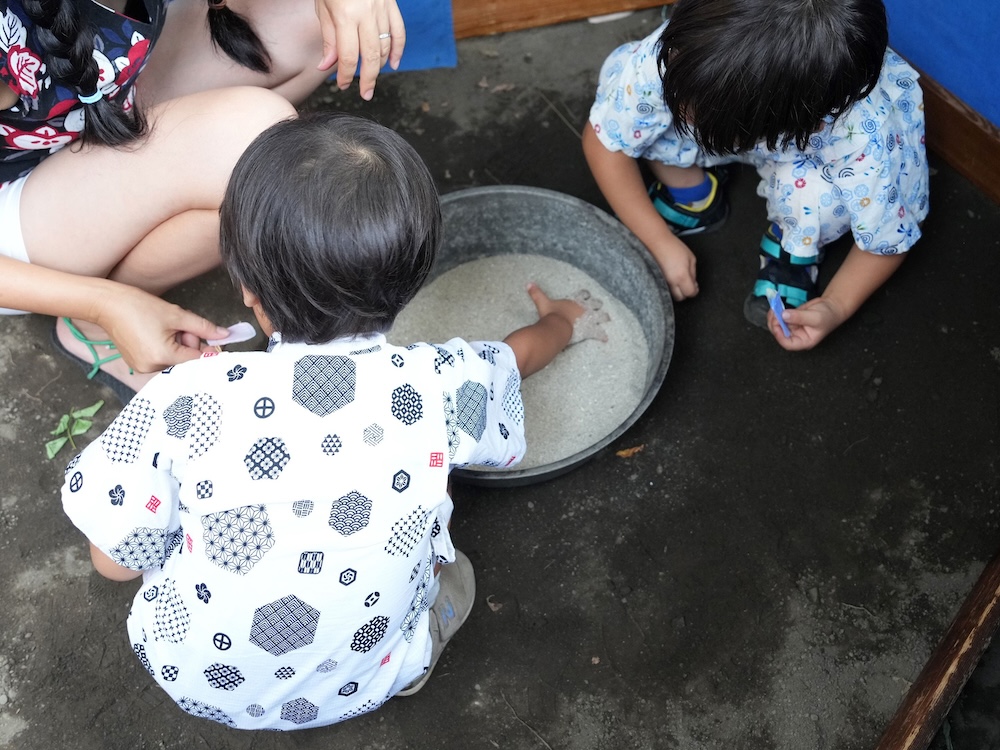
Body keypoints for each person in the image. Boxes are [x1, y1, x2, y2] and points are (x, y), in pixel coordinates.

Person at [60, 112, 603, 729]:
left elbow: (114, 563)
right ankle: (409, 660)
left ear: (245, 288)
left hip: (197, 679)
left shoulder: (186, 396)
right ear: (412, 281)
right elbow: (519, 357)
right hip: (365, 680)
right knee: (454, 573)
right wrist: (561, 321)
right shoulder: (441, 382)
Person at [0, 0, 403, 404]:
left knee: (311, 17)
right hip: (16, 207)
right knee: (257, 155)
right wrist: (105, 305)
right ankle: (94, 325)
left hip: (90, 93)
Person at [582, 0, 929, 351]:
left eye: (699, 119)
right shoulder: (694, 47)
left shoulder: (867, 137)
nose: (684, 118)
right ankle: (693, 193)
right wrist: (657, 240)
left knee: (818, 200)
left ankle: (793, 245)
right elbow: (604, 142)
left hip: (808, 157)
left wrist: (834, 306)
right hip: (757, 112)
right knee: (629, 81)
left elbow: (889, 237)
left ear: (808, 123)